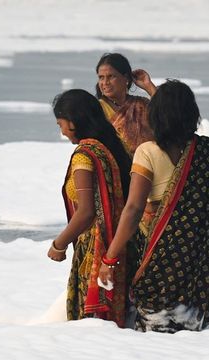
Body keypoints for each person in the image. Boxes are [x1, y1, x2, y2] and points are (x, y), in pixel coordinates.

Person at [98, 80, 209, 333]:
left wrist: (110, 257)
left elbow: (134, 208)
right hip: (200, 259)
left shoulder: (148, 151)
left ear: (155, 115)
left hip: (159, 252)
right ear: (192, 114)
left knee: (156, 331)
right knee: (189, 333)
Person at [47, 89, 132, 327]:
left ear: (73, 122)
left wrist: (59, 244)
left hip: (95, 248)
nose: (61, 131)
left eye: (60, 124)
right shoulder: (110, 147)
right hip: (118, 243)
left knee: (89, 323)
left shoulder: (84, 156)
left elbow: (85, 212)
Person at [95, 52, 156, 156]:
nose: (105, 82)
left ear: (126, 78)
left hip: (147, 167)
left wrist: (149, 87)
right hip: (113, 169)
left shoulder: (142, 105)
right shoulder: (96, 108)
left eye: (111, 76)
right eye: (101, 77)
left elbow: (168, 119)